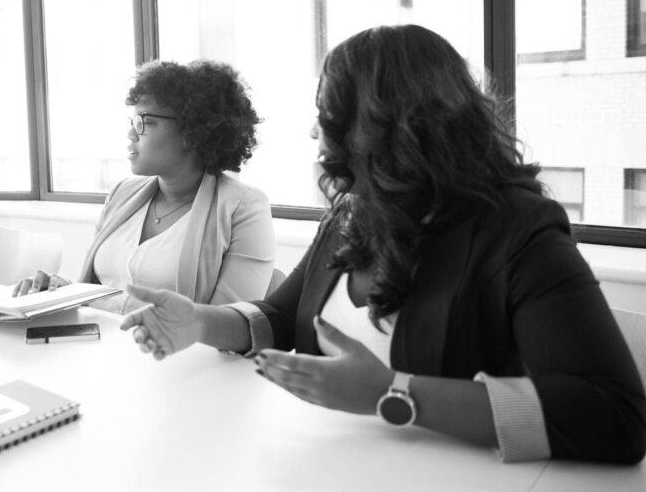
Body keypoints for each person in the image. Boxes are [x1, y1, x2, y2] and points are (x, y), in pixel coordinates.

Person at [120, 25, 646, 465]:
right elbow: (278, 318)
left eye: (327, 112)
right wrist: (198, 322)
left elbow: (617, 416)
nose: (313, 131)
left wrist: (392, 395)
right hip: (337, 477)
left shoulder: (518, 230)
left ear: (383, 125)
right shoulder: (351, 213)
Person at [14, 60, 275, 313]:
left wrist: (98, 303)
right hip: (99, 350)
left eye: (145, 121)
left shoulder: (243, 206)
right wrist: (63, 291)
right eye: (133, 121)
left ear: (191, 132)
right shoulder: (121, 194)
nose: (131, 133)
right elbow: (97, 288)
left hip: (175, 357)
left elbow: (228, 324)